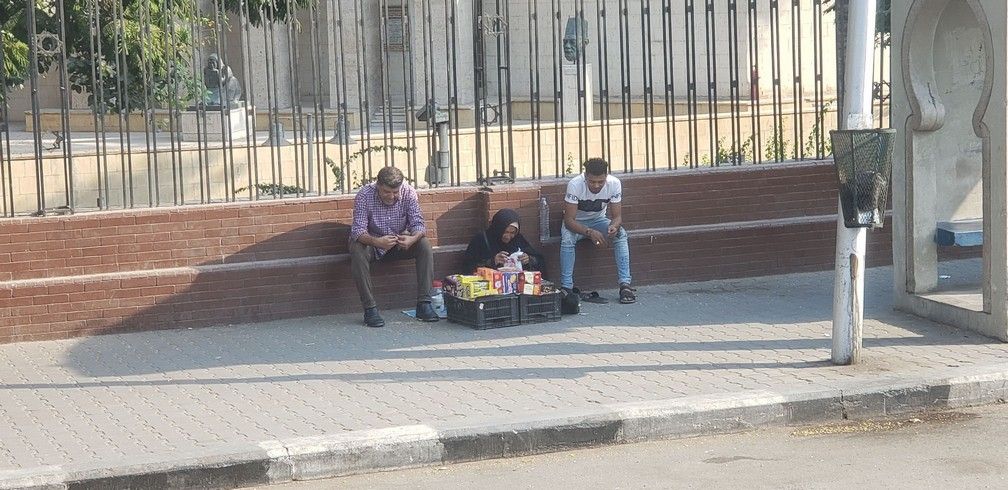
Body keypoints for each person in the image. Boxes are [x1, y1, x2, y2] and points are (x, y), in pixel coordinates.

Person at [349, 166, 439, 328]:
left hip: (399, 243)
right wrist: (377, 242)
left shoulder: (409, 192)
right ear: (378, 185)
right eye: (386, 192)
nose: (391, 196)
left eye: (395, 192)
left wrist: (412, 238)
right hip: (373, 244)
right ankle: (370, 308)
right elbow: (358, 231)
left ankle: (424, 304)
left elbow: (418, 224)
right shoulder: (364, 195)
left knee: (424, 244)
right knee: (356, 247)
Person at [560, 157, 636, 304]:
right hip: (576, 223)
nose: (596, 185)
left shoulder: (614, 184)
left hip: (598, 221)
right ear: (585, 176)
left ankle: (625, 285)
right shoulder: (575, 184)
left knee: (621, 234)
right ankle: (566, 287)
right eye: (592, 182)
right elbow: (568, 221)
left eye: (600, 182)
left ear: (606, 177)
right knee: (567, 239)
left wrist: (614, 227)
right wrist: (589, 232)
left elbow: (617, 217)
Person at [464, 208, 546, 273]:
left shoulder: (518, 239)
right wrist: (492, 261)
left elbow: (539, 261)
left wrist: (529, 259)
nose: (508, 236)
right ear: (498, 229)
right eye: (505, 232)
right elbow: (468, 267)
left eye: (512, 233)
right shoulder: (481, 240)